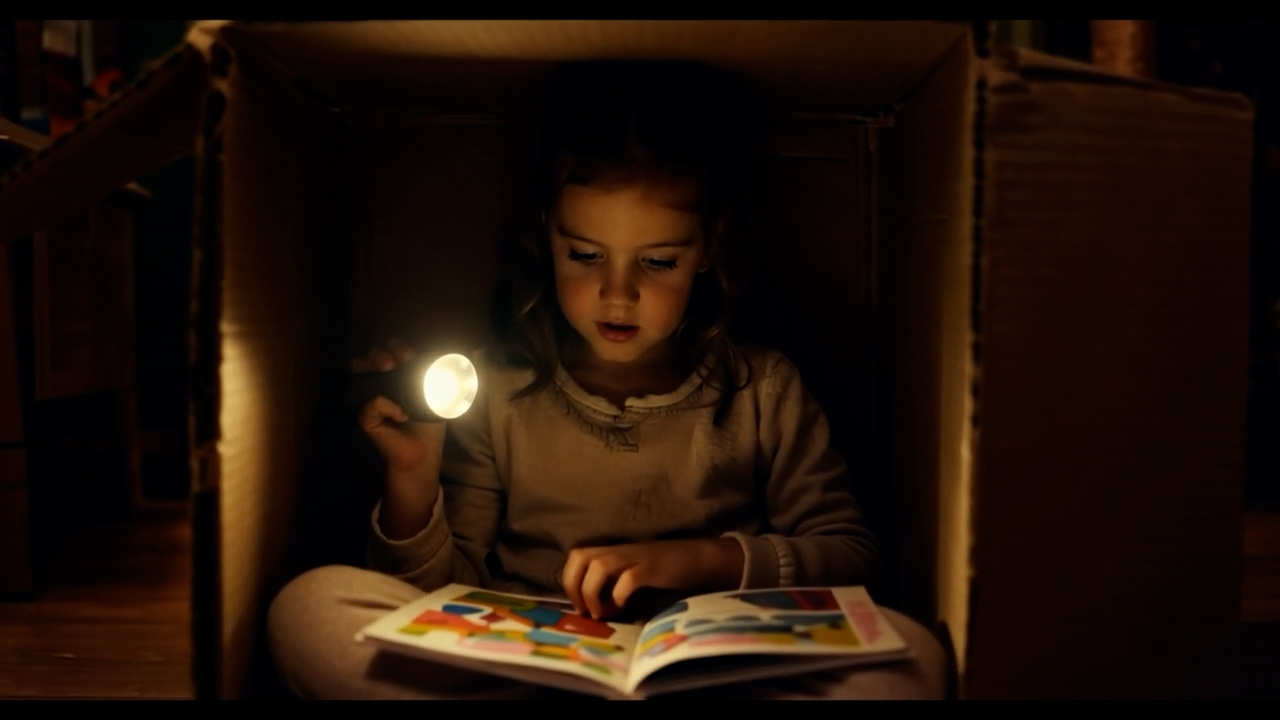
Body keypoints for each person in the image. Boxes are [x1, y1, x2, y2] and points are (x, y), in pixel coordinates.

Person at [267, 61, 947, 700]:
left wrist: (694, 562)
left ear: (707, 247)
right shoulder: (496, 389)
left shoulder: (761, 389)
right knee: (310, 606)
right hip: (529, 666)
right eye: (585, 255)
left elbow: (855, 559)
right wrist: (413, 476)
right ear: (547, 234)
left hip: (712, 668)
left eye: (656, 262)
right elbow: (437, 598)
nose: (616, 295)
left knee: (913, 655)